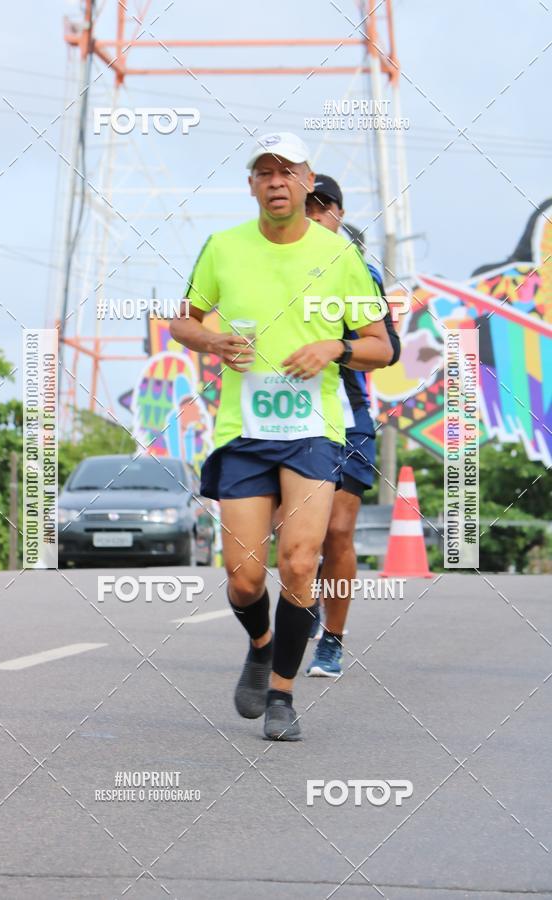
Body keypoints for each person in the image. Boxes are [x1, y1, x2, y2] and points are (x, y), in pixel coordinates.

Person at [170, 134, 392, 741]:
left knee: (299, 562)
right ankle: (262, 643)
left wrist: (334, 347)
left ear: (306, 181)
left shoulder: (339, 256)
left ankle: (283, 695)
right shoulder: (222, 248)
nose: (275, 182)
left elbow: (381, 346)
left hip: (313, 432)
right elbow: (180, 323)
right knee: (244, 578)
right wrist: (212, 341)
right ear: (251, 186)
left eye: (286, 172)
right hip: (243, 431)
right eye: (263, 173)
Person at [303, 174, 401, 676]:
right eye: (306, 208)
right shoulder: (277, 270)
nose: (315, 215)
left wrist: (336, 349)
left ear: (338, 213)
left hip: (347, 414)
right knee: (298, 536)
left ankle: (332, 641)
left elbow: (388, 351)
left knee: (338, 531)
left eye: (323, 207)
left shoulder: (360, 274)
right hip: (287, 417)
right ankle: (305, 610)